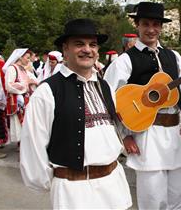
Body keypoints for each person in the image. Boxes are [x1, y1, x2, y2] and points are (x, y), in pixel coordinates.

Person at [20, 18, 132, 209]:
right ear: (65, 49)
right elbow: (33, 146)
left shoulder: (105, 86)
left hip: (114, 185)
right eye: (79, 44)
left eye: (92, 45)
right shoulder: (47, 92)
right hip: (74, 192)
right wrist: (56, 183)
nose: (87, 49)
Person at [104, 2, 181, 210]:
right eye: (145, 24)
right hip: (146, 136)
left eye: (156, 24)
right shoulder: (125, 61)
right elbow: (110, 101)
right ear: (137, 25)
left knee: (178, 196)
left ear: (161, 27)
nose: (151, 29)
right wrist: (124, 135)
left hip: (175, 135)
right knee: (153, 199)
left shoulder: (173, 57)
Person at [3, 48, 38, 145]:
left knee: (26, 126)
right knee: (20, 126)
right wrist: (26, 84)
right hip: (18, 103)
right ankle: (22, 150)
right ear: (20, 57)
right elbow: (9, 85)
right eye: (27, 58)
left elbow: (32, 81)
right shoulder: (12, 68)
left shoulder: (22, 69)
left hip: (25, 101)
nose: (29, 60)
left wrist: (33, 83)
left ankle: (25, 148)